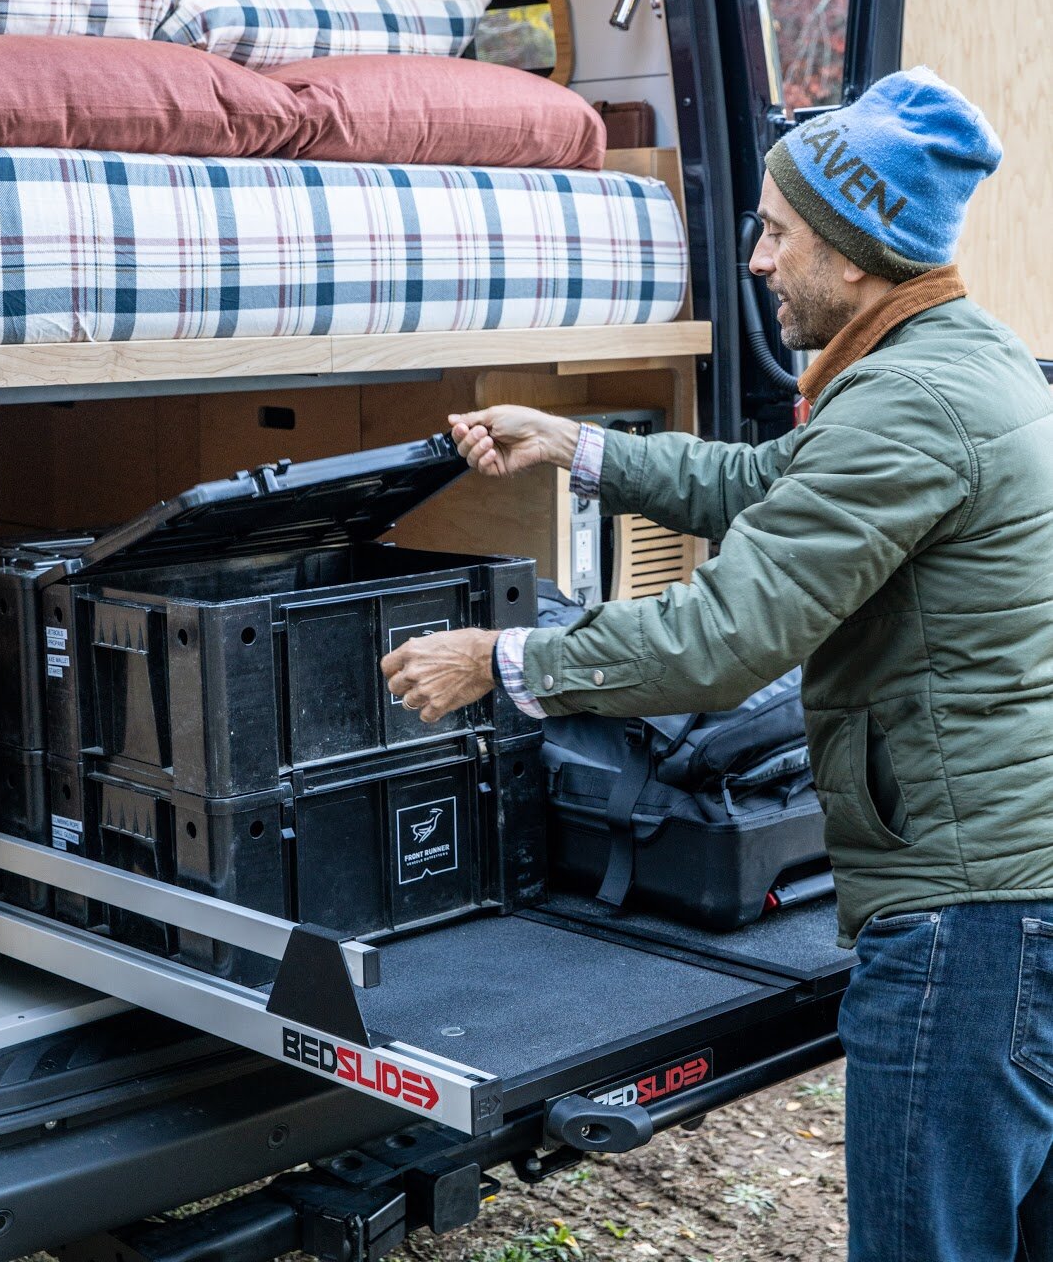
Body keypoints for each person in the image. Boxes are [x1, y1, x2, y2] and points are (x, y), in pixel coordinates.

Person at [381, 66, 1053, 1262]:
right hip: (1017, 892)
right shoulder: (960, 358)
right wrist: (578, 446)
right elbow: (773, 489)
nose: (753, 257)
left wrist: (505, 657)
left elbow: (718, 639)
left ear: (854, 253)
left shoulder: (906, 402)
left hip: (971, 920)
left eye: (776, 232)